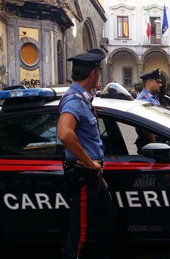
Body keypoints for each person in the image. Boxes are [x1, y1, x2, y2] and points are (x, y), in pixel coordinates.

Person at [57, 48, 117, 259]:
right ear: (93, 73)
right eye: (99, 71)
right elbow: (65, 134)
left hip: (93, 177)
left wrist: (98, 174)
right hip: (84, 176)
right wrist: (89, 164)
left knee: (108, 220)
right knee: (79, 235)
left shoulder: (83, 98)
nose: (99, 74)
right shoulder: (74, 100)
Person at [135, 69, 163, 153]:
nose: (160, 85)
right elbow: (146, 124)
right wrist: (154, 142)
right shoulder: (143, 99)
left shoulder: (152, 97)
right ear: (149, 83)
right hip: (149, 142)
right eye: (158, 82)